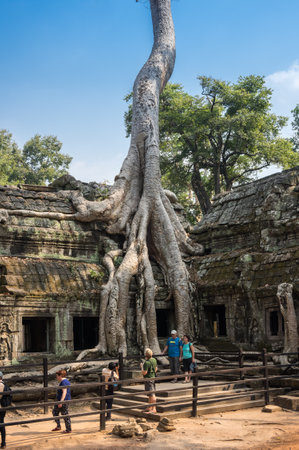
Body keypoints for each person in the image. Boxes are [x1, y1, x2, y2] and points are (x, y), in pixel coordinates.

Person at [140, 348, 157, 414]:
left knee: (152, 394)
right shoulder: (154, 360)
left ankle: (154, 408)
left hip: (148, 379)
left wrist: (141, 367)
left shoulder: (146, 363)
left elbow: (144, 372)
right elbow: (156, 369)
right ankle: (149, 407)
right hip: (153, 377)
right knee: (150, 394)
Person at [0, 371, 6, 449]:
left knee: (1, 425)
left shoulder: (0, 385)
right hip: (3, 408)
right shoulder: (4, 384)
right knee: (1, 425)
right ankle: (3, 443)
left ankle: (3, 442)